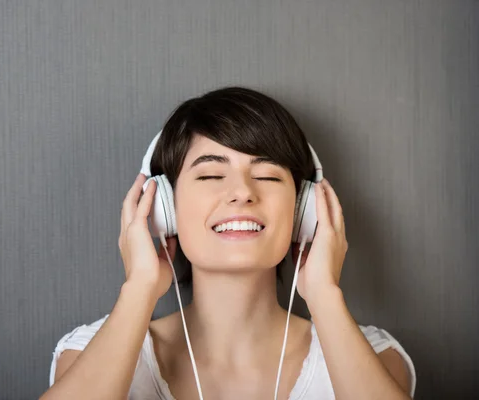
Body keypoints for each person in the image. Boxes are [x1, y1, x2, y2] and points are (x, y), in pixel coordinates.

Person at [40, 87, 416, 400]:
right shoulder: (85, 354)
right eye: (211, 175)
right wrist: (139, 287)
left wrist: (324, 294)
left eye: (268, 175)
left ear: (305, 210)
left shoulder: (376, 359)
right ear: (163, 207)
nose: (241, 193)